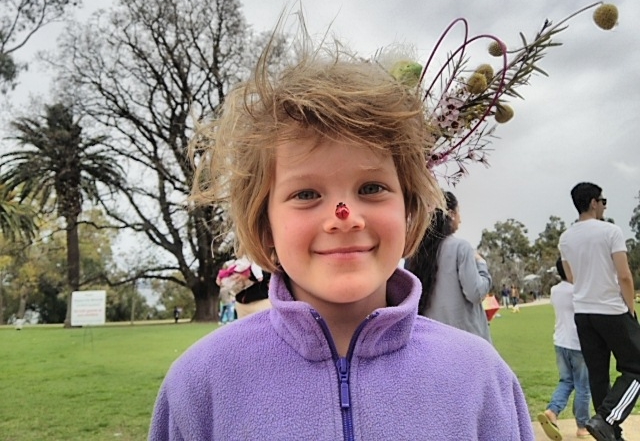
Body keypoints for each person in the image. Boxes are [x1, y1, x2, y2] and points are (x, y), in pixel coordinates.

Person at [149, 23, 534, 440]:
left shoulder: (479, 377)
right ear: (265, 227)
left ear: (408, 211)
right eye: (306, 193)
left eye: (371, 188)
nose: (344, 216)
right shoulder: (201, 384)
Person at [559, 182, 639, 441]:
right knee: (636, 366)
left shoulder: (566, 237)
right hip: (611, 309)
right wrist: (631, 307)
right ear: (593, 202)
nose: (604, 205)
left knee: (598, 374)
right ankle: (607, 419)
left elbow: (571, 277)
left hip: (583, 313)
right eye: (603, 200)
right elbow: (625, 276)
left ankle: (611, 434)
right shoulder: (610, 231)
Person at [406, 191, 493, 343]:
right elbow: (476, 293)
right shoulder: (461, 248)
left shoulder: (415, 255)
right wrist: (482, 265)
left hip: (432, 344)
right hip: (467, 343)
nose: (461, 219)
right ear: (451, 214)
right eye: (459, 212)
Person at [537, 257, 591, 440]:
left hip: (560, 342)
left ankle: (553, 410)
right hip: (579, 344)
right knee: (583, 387)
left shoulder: (555, 291)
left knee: (566, 381)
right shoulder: (579, 291)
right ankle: (582, 426)